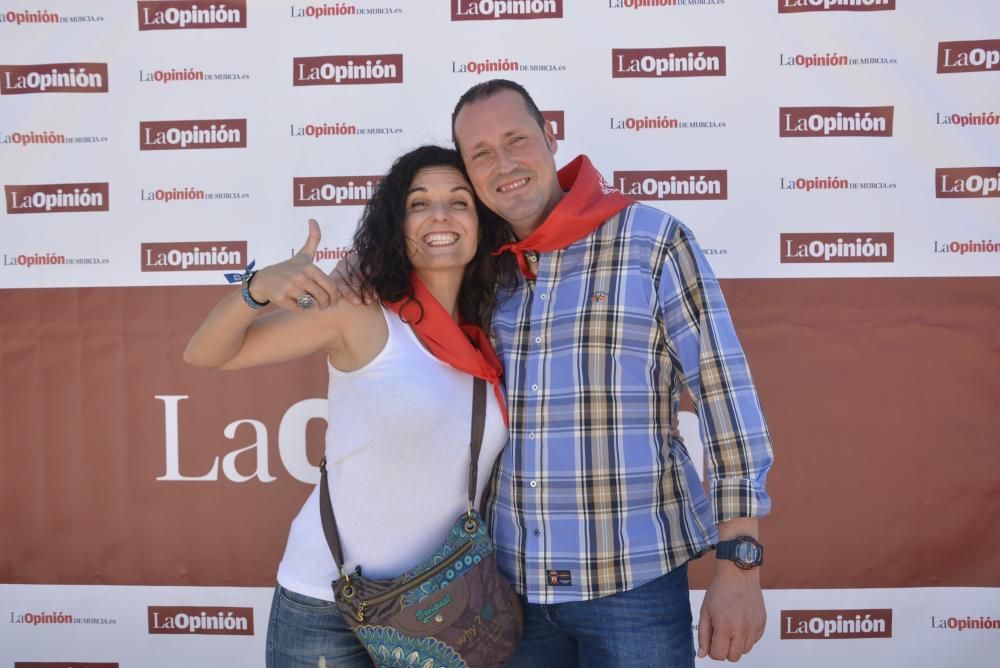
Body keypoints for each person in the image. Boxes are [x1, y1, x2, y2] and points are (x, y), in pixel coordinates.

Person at [335, 80, 774, 666]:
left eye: (516, 139)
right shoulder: (476, 265)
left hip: (632, 585)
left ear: (550, 137)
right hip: (509, 593)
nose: (504, 164)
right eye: (481, 154)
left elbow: (726, 398)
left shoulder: (652, 242)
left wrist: (740, 563)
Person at [183, 145, 513, 667]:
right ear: (395, 223)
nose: (440, 216)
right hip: (325, 604)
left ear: (483, 222)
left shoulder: (494, 330)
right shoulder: (359, 314)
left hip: (444, 607)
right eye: (419, 202)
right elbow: (206, 354)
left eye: (460, 201)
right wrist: (258, 289)